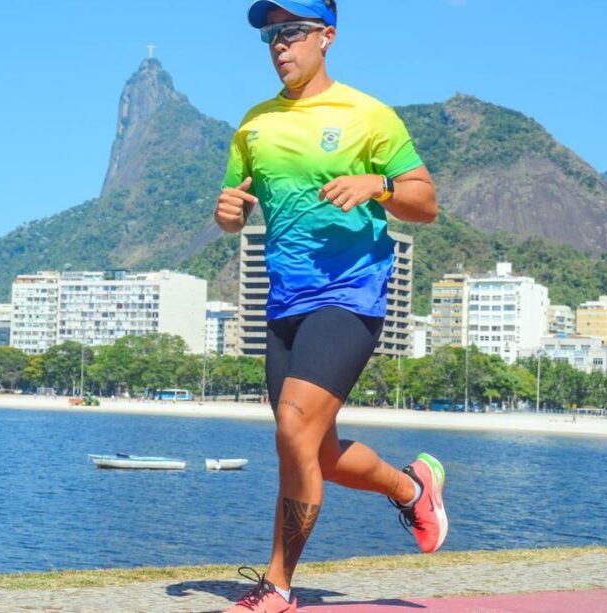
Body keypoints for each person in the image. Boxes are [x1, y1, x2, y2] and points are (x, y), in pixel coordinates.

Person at [214, 2, 447, 611]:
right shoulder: (254, 125)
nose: (279, 44)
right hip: (284, 303)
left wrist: (380, 185)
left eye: (292, 31)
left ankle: (277, 586)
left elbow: (426, 202)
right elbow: (235, 208)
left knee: (293, 429)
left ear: (327, 37)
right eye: (270, 35)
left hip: (350, 293)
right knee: (312, 449)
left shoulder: (369, 115)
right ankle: (412, 489)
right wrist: (228, 215)